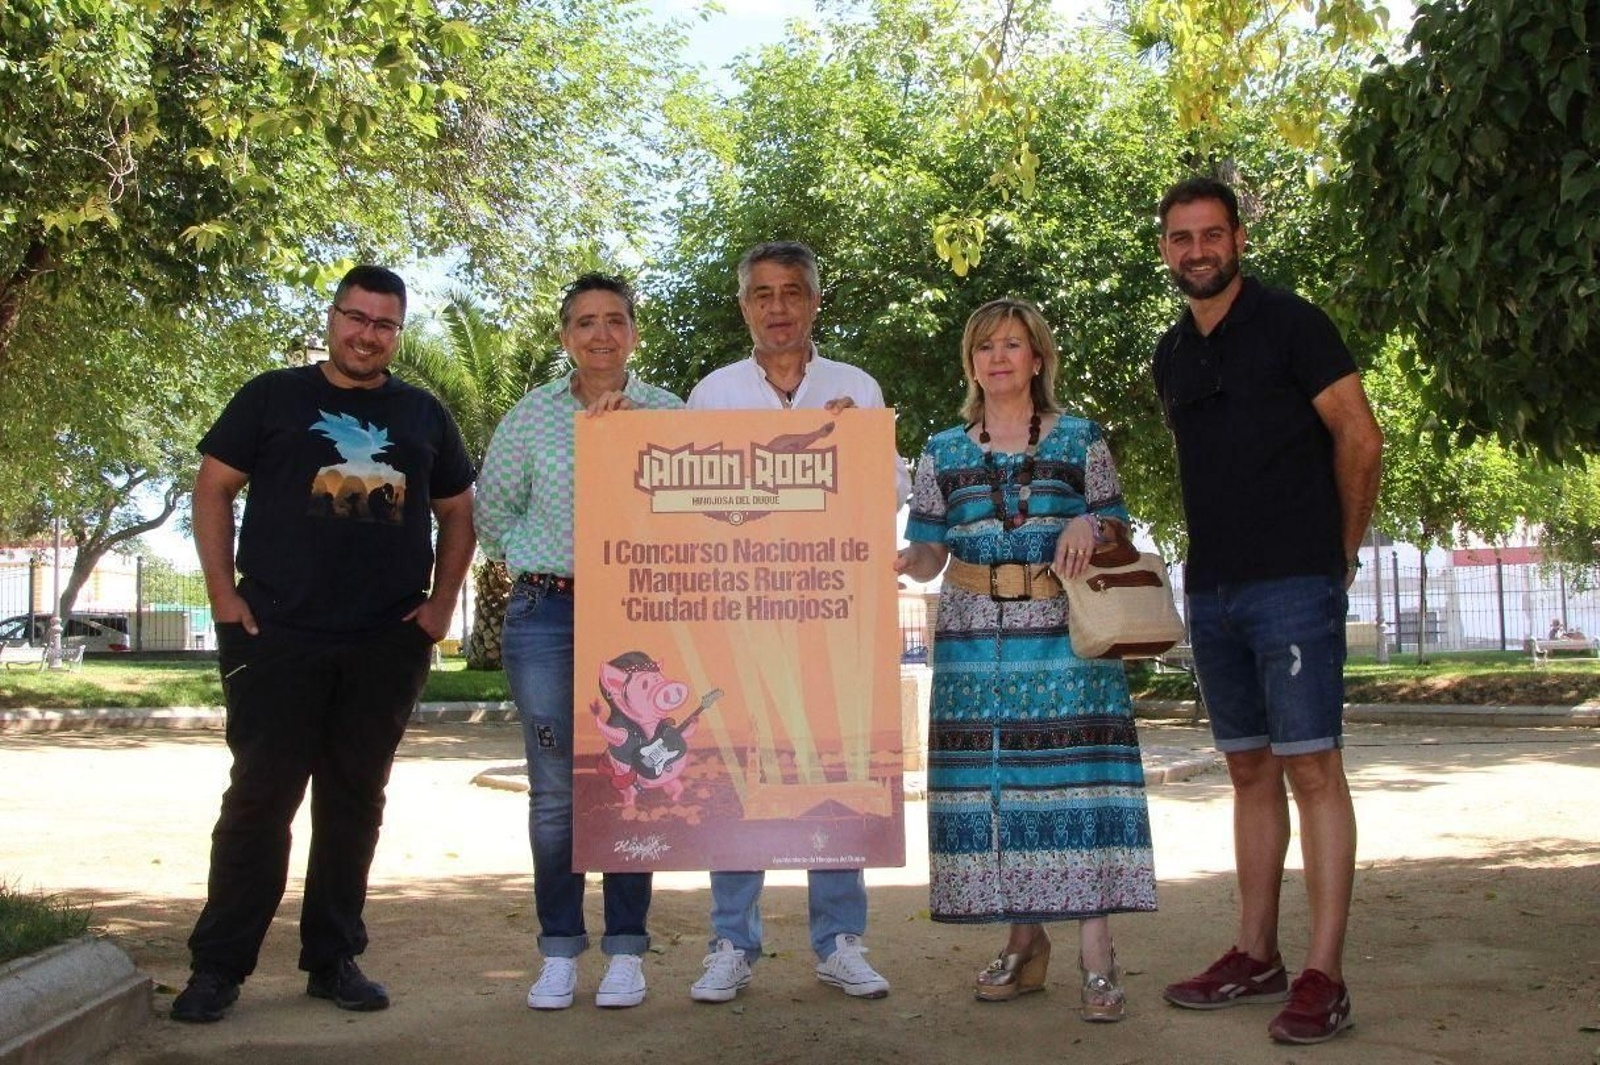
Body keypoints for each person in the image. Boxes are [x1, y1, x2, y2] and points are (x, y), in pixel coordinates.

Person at [171, 265, 476, 1023]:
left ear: (397, 334)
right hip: (274, 634)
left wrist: (440, 606)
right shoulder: (271, 395)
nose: (366, 334)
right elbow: (213, 488)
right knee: (259, 800)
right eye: (356, 317)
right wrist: (222, 594)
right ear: (333, 317)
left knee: (353, 803)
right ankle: (218, 965)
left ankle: (333, 956)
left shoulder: (423, 413)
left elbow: (458, 514)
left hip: (385, 642)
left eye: (384, 324)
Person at [1151, 176, 1383, 1045]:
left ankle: (1324, 973)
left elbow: (1361, 437)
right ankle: (1257, 954)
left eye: (1212, 234)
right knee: (1248, 769)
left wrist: (1340, 556)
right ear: (1166, 249)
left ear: (1238, 239)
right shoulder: (1170, 354)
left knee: (1312, 767)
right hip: (1211, 588)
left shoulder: (1295, 323)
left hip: (1296, 581)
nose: (1198, 250)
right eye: (1181, 237)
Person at [896, 298, 1156, 1021]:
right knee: (994, 790)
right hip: (973, 641)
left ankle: (1096, 954)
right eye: (985, 346)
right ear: (971, 362)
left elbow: (1117, 524)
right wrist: (894, 554)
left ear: (1038, 357)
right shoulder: (942, 449)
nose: (998, 357)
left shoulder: (1079, 438)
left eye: (1013, 344)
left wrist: (1086, 517)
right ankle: (1023, 940)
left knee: (1079, 785)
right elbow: (927, 553)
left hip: (1068, 635)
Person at [684, 240, 906, 1003]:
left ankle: (840, 939)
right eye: (762, 294)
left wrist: (858, 444)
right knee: (738, 774)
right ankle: (730, 942)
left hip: (830, 619)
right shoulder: (711, 394)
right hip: (739, 620)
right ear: (743, 304)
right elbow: (687, 503)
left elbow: (890, 492)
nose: (777, 307)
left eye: (792, 292)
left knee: (834, 770)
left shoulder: (856, 385)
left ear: (816, 300)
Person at [475, 274, 684, 1010]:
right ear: (565, 335)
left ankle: (627, 949)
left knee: (633, 782)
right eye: (585, 322)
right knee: (557, 791)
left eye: (615, 320)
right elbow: (492, 515)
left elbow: (692, 510)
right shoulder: (529, 418)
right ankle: (560, 949)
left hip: (638, 615)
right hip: (547, 614)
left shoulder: (669, 412)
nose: (601, 333)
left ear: (633, 332)